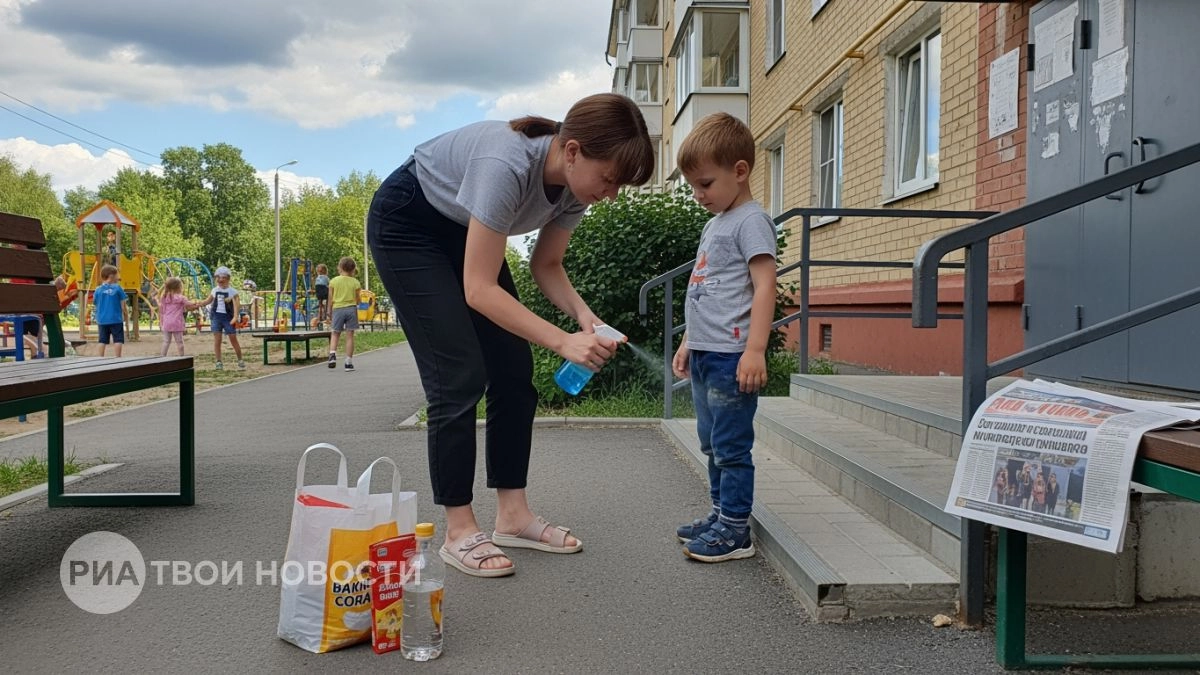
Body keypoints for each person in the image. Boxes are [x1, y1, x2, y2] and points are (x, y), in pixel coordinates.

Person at [367, 92, 654, 577]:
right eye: (609, 179)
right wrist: (563, 342)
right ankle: (459, 529)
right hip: (408, 223)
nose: (612, 193)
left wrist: (584, 317)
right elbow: (479, 290)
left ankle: (513, 517)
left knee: (514, 372)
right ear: (573, 150)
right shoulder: (505, 163)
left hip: (463, 228)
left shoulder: (572, 189)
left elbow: (547, 265)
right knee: (458, 372)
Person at [670, 112, 778, 563]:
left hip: (733, 358)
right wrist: (688, 340)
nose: (699, 195)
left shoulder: (751, 221)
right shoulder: (715, 224)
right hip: (705, 354)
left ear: (740, 171)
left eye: (706, 184)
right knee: (711, 442)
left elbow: (766, 285)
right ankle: (719, 514)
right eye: (693, 186)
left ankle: (736, 530)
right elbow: (704, 287)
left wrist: (755, 350)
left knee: (732, 447)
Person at [195, 266, 245, 370]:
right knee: (217, 340)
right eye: (218, 278)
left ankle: (240, 359)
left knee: (233, 338)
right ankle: (218, 361)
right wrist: (199, 304)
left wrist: (235, 316)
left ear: (228, 279)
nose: (220, 280)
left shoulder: (233, 292)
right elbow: (208, 301)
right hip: (216, 316)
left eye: (223, 278)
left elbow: (237, 305)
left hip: (228, 317)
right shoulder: (214, 290)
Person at [326, 257, 361, 372]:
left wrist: (328, 313)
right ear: (353, 269)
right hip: (351, 309)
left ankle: (332, 356)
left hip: (338, 309)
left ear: (340, 268)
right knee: (350, 335)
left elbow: (330, 299)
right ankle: (348, 363)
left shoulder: (334, 281)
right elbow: (358, 300)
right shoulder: (355, 282)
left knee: (335, 333)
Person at [158, 277, 199, 356]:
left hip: (166, 323)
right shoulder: (181, 298)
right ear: (179, 287)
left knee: (166, 341)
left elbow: (162, 310)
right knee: (179, 342)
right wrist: (197, 303)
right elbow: (189, 304)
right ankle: (181, 357)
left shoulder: (164, 297)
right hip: (177, 323)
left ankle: (162, 357)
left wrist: (161, 322)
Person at [93, 264, 128, 357]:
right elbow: (123, 305)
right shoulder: (118, 288)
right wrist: (125, 314)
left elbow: (95, 302)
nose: (118, 277)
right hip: (116, 319)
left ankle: (100, 358)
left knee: (102, 340)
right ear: (111, 276)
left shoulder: (97, 290)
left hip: (102, 319)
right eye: (117, 275)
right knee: (118, 339)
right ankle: (118, 358)